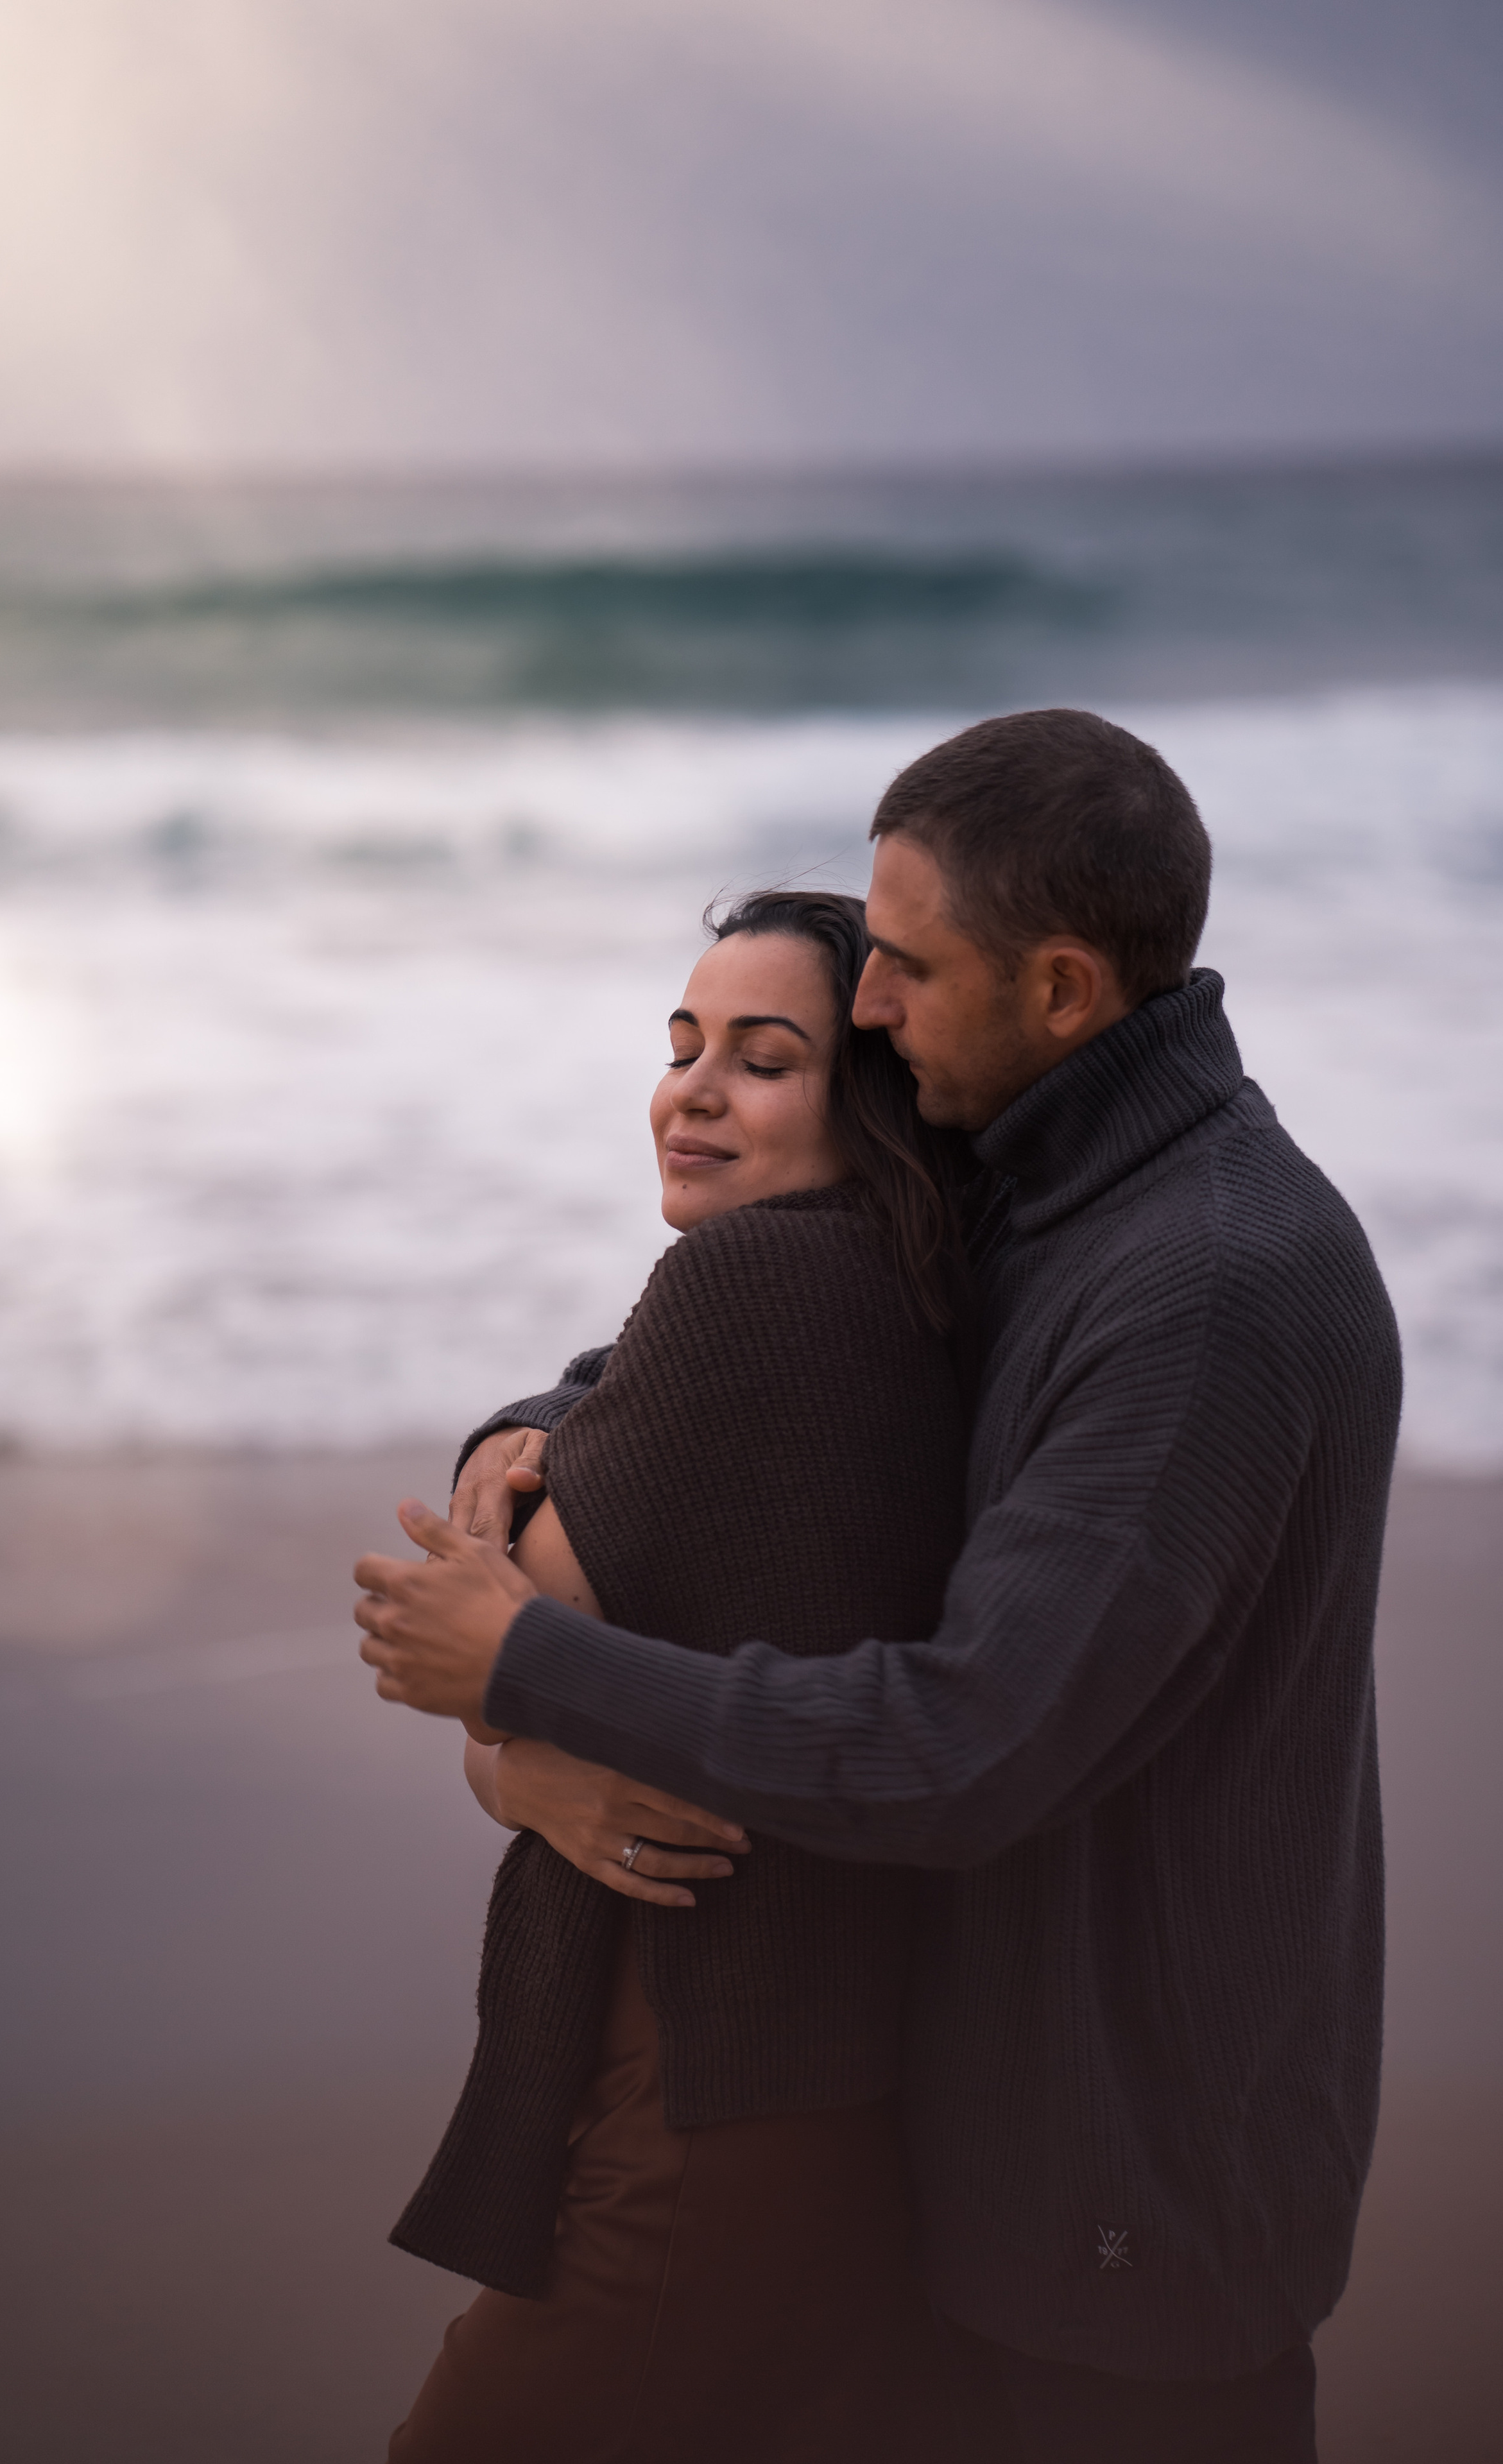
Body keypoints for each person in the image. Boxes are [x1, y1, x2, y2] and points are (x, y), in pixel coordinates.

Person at [357, 708, 1403, 2464]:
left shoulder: (1204, 1284)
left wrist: (525, 1674)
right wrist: (535, 1425)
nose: (870, 1009)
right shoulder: (1041, 1176)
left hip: (1130, 2193)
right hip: (966, 2142)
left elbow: (962, 1748)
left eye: (906, 966)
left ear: (1060, 987)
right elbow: (787, 1303)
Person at [379, 890, 993, 2463]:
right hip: (824, 2077)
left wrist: (511, 1755)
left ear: (870, 1097)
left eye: (762, 1061)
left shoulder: (754, 1286)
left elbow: (480, 1634)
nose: (691, 1094)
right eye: (680, 1048)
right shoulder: (904, 1289)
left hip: (701, 2082)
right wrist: (542, 1422)